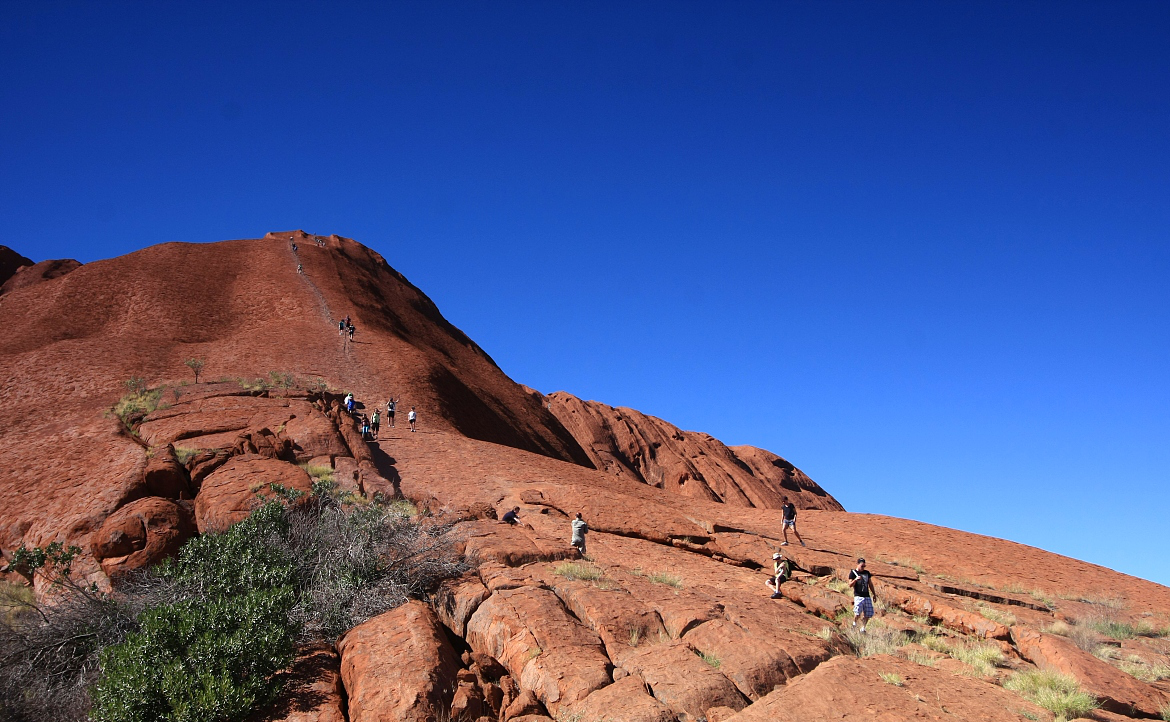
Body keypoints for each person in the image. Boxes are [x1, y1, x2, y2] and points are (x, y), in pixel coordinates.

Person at [848, 558, 878, 633]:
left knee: (868, 613)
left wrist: (874, 594)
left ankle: (863, 628)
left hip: (866, 595)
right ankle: (854, 624)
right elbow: (850, 585)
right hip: (858, 596)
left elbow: (870, 584)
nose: (863, 568)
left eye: (864, 566)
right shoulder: (853, 572)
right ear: (858, 564)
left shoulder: (867, 573)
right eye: (862, 566)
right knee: (857, 612)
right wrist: (855, 580)